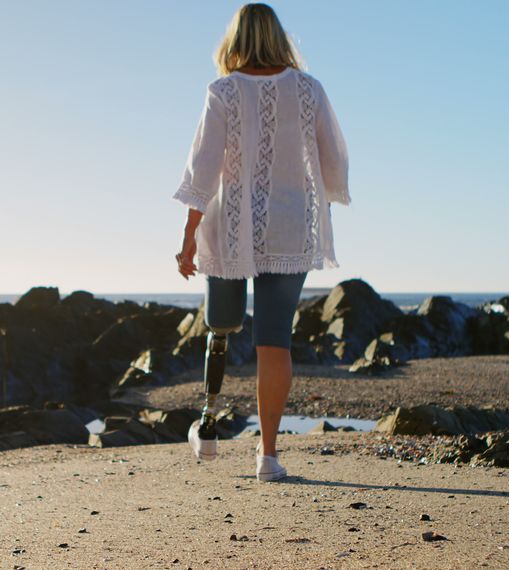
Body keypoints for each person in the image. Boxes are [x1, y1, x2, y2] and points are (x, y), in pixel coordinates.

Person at [171, 3, 350, 482]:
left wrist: (189, 237)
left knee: (221, 324)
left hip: (231, 225)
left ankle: (207, 426)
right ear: (279, 36)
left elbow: (202, 170)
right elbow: (333, 159)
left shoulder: (223, 91)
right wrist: (319, 200)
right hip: (291, 225)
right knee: (275, 341)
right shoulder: (309, 90)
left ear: (234, 38)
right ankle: (267, 457)